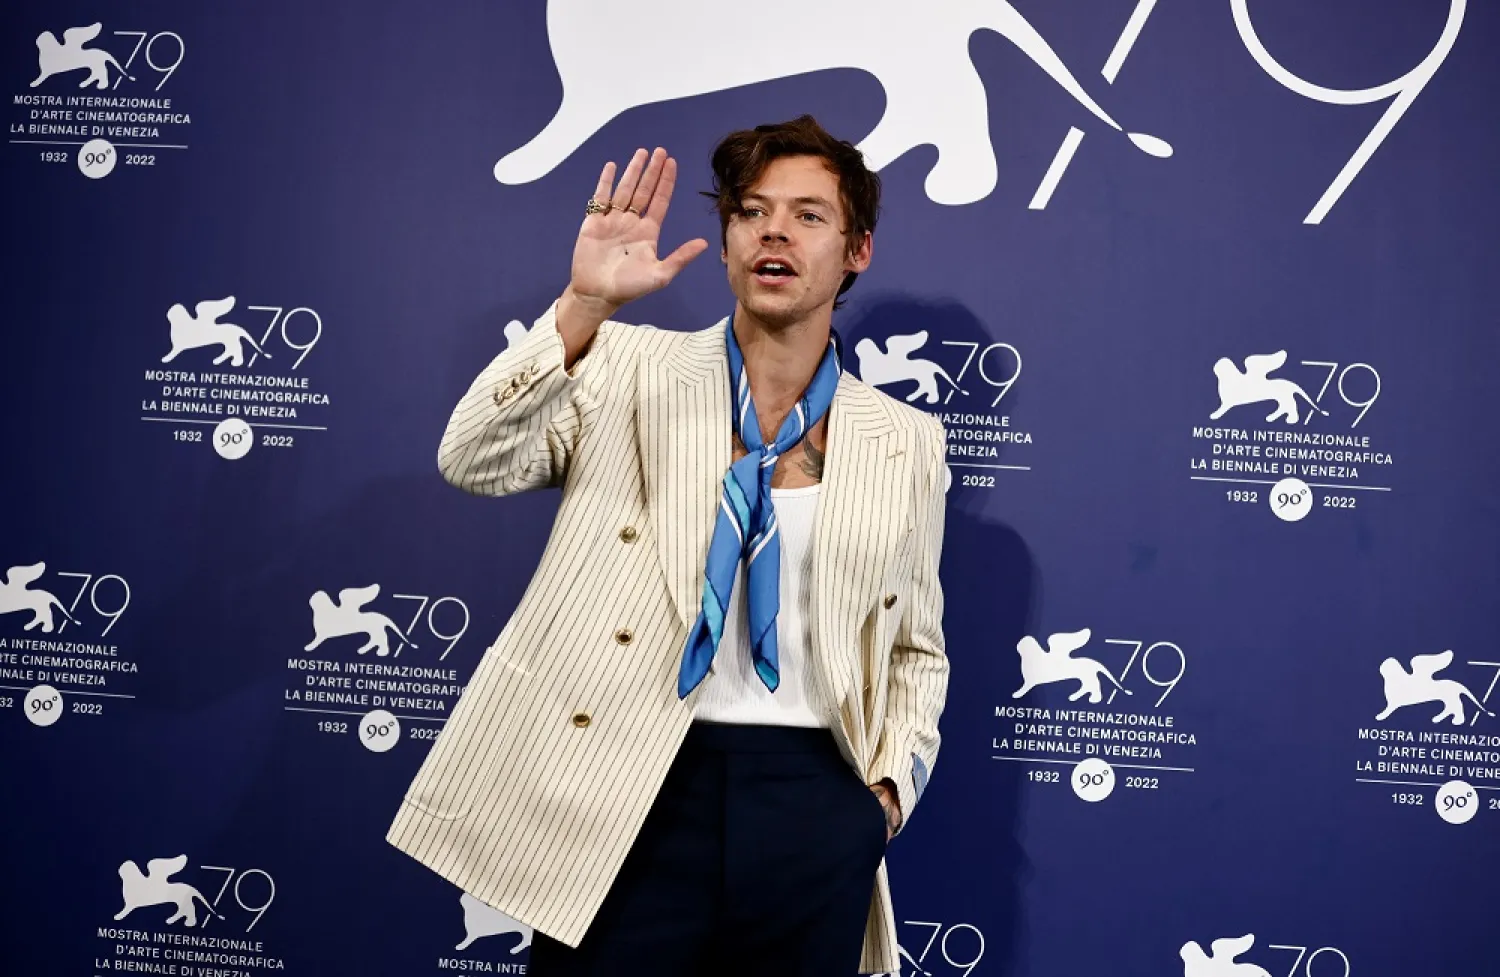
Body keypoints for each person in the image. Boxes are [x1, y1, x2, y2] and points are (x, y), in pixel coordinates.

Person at [386, 115, 949, 976]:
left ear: (857, 249)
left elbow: (915, 644)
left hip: (813, 798)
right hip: (626, 783)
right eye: (751, 211)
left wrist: (884, 799)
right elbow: (471, 457)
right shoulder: (626, 367)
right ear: (725, 241)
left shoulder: (904, 439)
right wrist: (582, 305)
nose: (773, 231)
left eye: (808, 216)